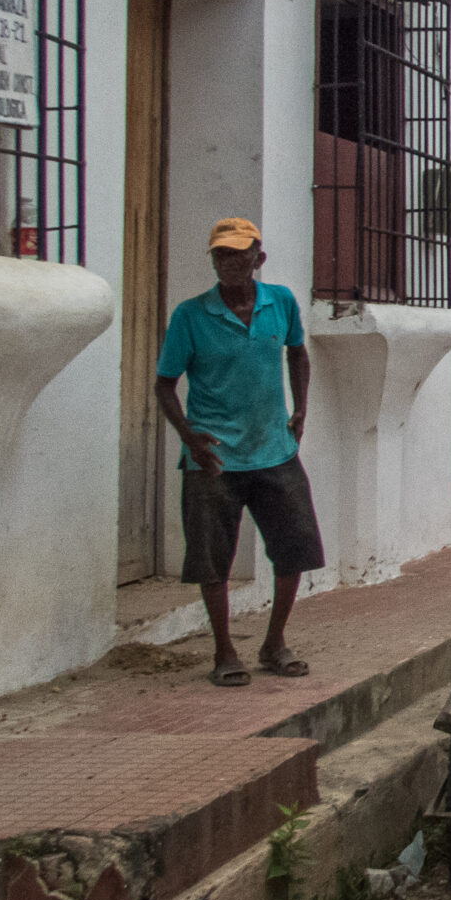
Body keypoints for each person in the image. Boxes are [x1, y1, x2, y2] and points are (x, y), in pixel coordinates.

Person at [154, 218, 325, 687]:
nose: (229, 264)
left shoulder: (281, 302)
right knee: (213, 558)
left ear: (258, 259)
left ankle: (274, 643)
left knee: (295, 548)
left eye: (238, 254)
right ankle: (224, 651)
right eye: (221, 256)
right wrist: (189, 436)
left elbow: (297, 353)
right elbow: (164, 385)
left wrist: (300, 411)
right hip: (214, 457)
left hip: (275, 448)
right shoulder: (191, 315)